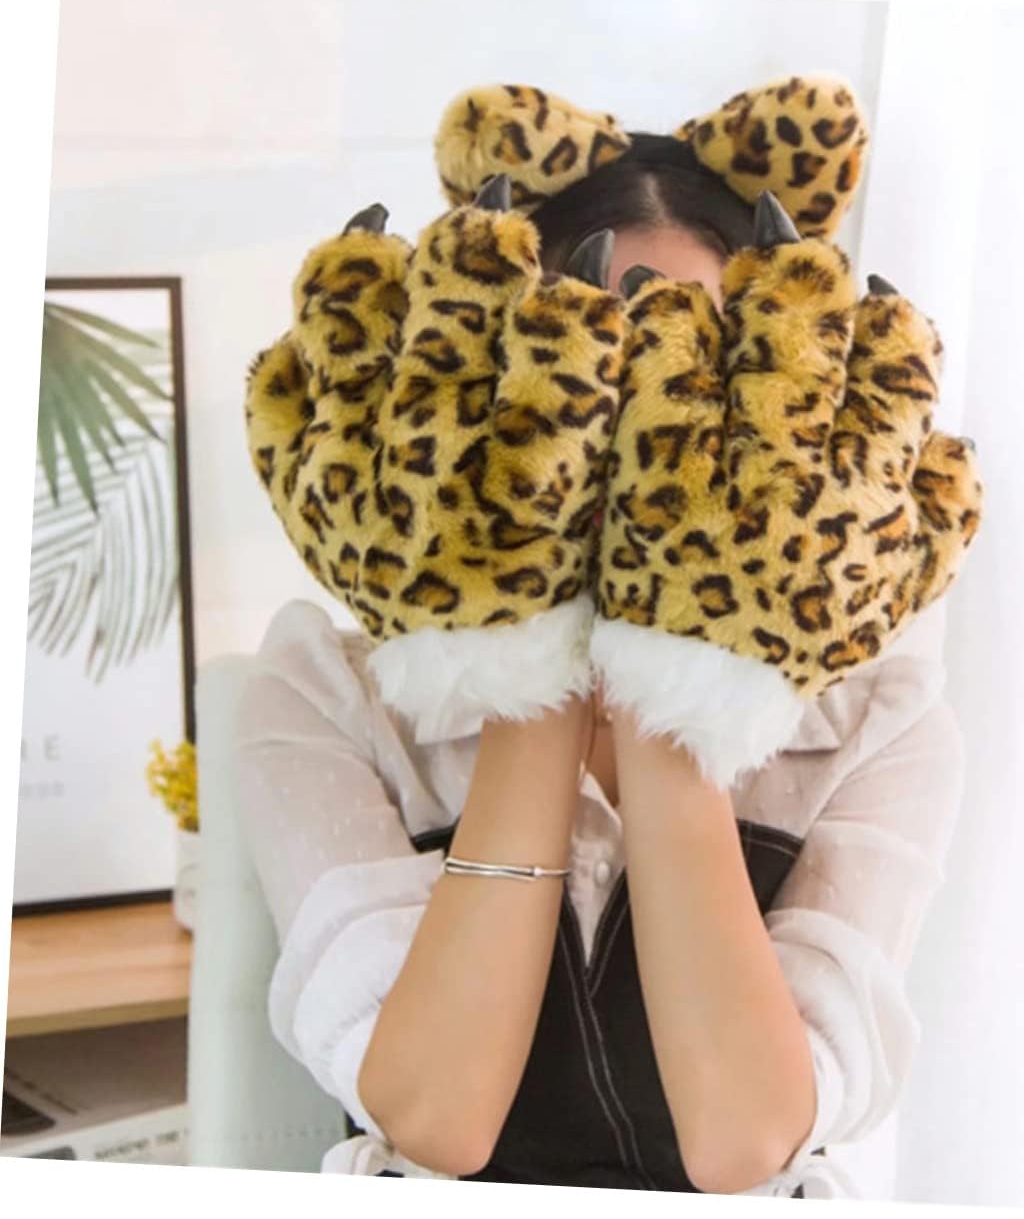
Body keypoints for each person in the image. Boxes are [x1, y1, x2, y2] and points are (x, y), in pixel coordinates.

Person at [233, 82, 979, 1199]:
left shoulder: (876, 720)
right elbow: (435, 1121)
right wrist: (518, 649)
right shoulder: (326, 690)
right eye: (597, 366)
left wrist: (687, 665)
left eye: (689, 370)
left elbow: (744, 1141)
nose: (638, 423)